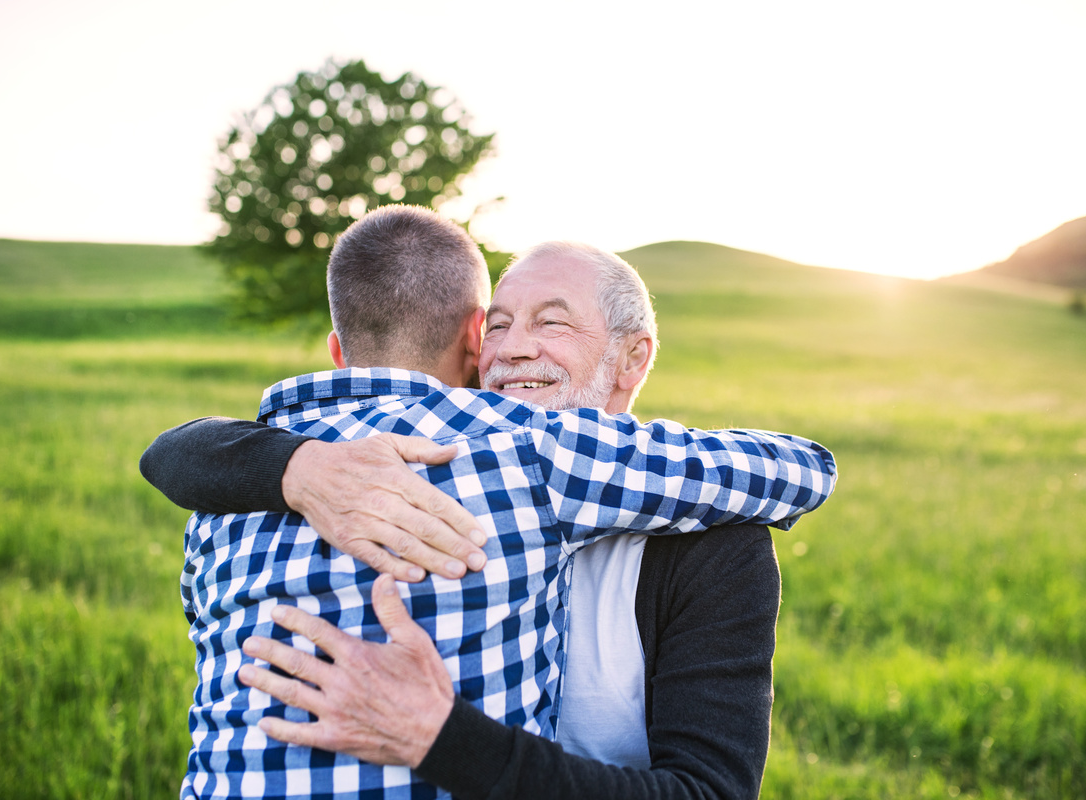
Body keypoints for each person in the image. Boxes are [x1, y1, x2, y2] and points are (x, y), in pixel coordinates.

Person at [146, 207, 837, 799]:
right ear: (473, 343)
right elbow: (176, 452)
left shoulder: (711, 541)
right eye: (499, 326)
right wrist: (298, 468)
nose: (513, 349)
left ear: (633, 360)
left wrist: (441, 738)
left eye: (552, 323)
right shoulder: (505, 455)